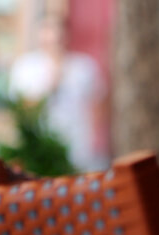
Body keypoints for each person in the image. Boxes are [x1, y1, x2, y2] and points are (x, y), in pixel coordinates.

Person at [9, 15, 107, 170]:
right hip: (40, 147)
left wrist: (97, 142)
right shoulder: (26, 67)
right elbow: (22, 109)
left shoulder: (84, 67)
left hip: (78, 146)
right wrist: (49, 86)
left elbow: (98, 105)